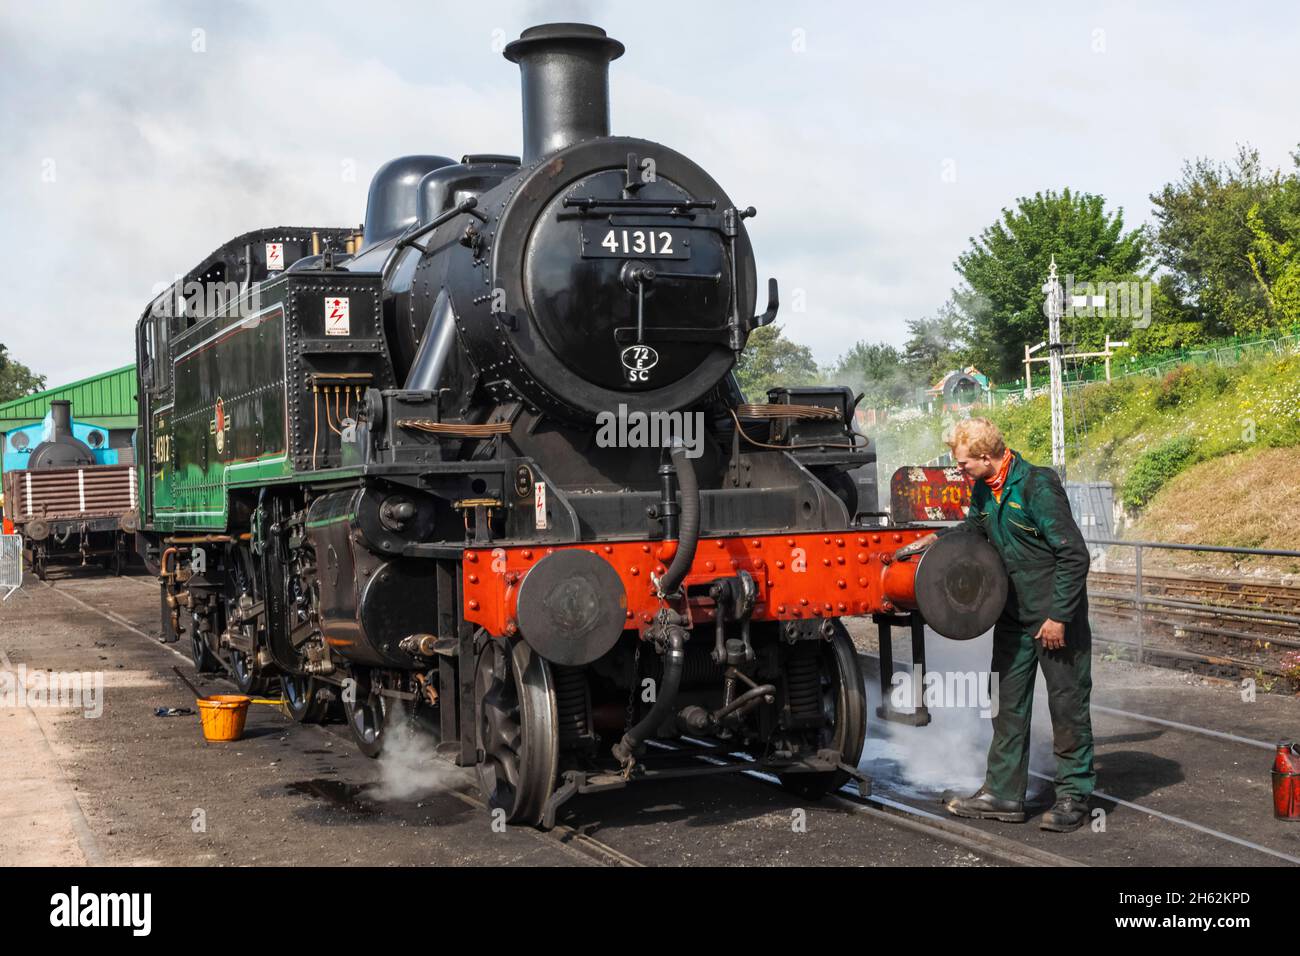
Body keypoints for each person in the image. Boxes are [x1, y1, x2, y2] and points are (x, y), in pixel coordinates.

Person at [899, 418, 1094, 832]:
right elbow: (975, 529)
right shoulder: (984, 487)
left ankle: (1074, 797)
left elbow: (1074, 554)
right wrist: (937, 540)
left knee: (1067, 706)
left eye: (965, 463)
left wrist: (1059, 616)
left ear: (987, 457)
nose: (961, 469)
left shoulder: (1037, 487)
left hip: (1055, 618)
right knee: (1005, 704)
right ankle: (1003, 794)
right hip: (1012, 615)